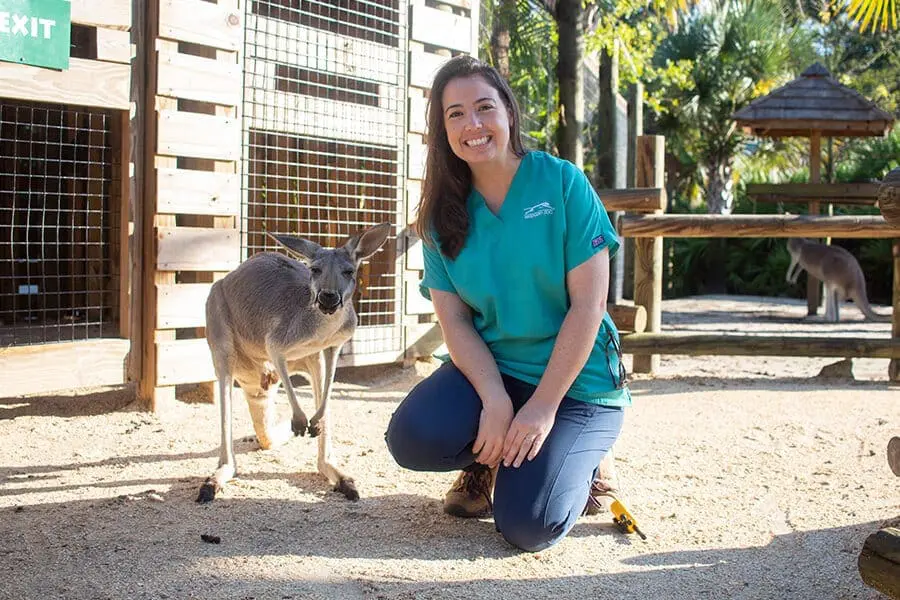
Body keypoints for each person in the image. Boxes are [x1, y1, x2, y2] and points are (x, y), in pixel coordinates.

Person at [384, 55, 631, 552]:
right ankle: (487, 458)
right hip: (494, 372)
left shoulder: (561, 184)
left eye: (483, 107)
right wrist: (495, 399)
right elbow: (453, 320)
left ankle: (585, 457)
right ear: (442, 130)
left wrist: (541, 408)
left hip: (578, 385)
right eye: (455, 114)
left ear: (509, 114)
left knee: (529, 525)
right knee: (411, 436)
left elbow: (588, 305)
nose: (471, 125)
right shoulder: (438, 217)